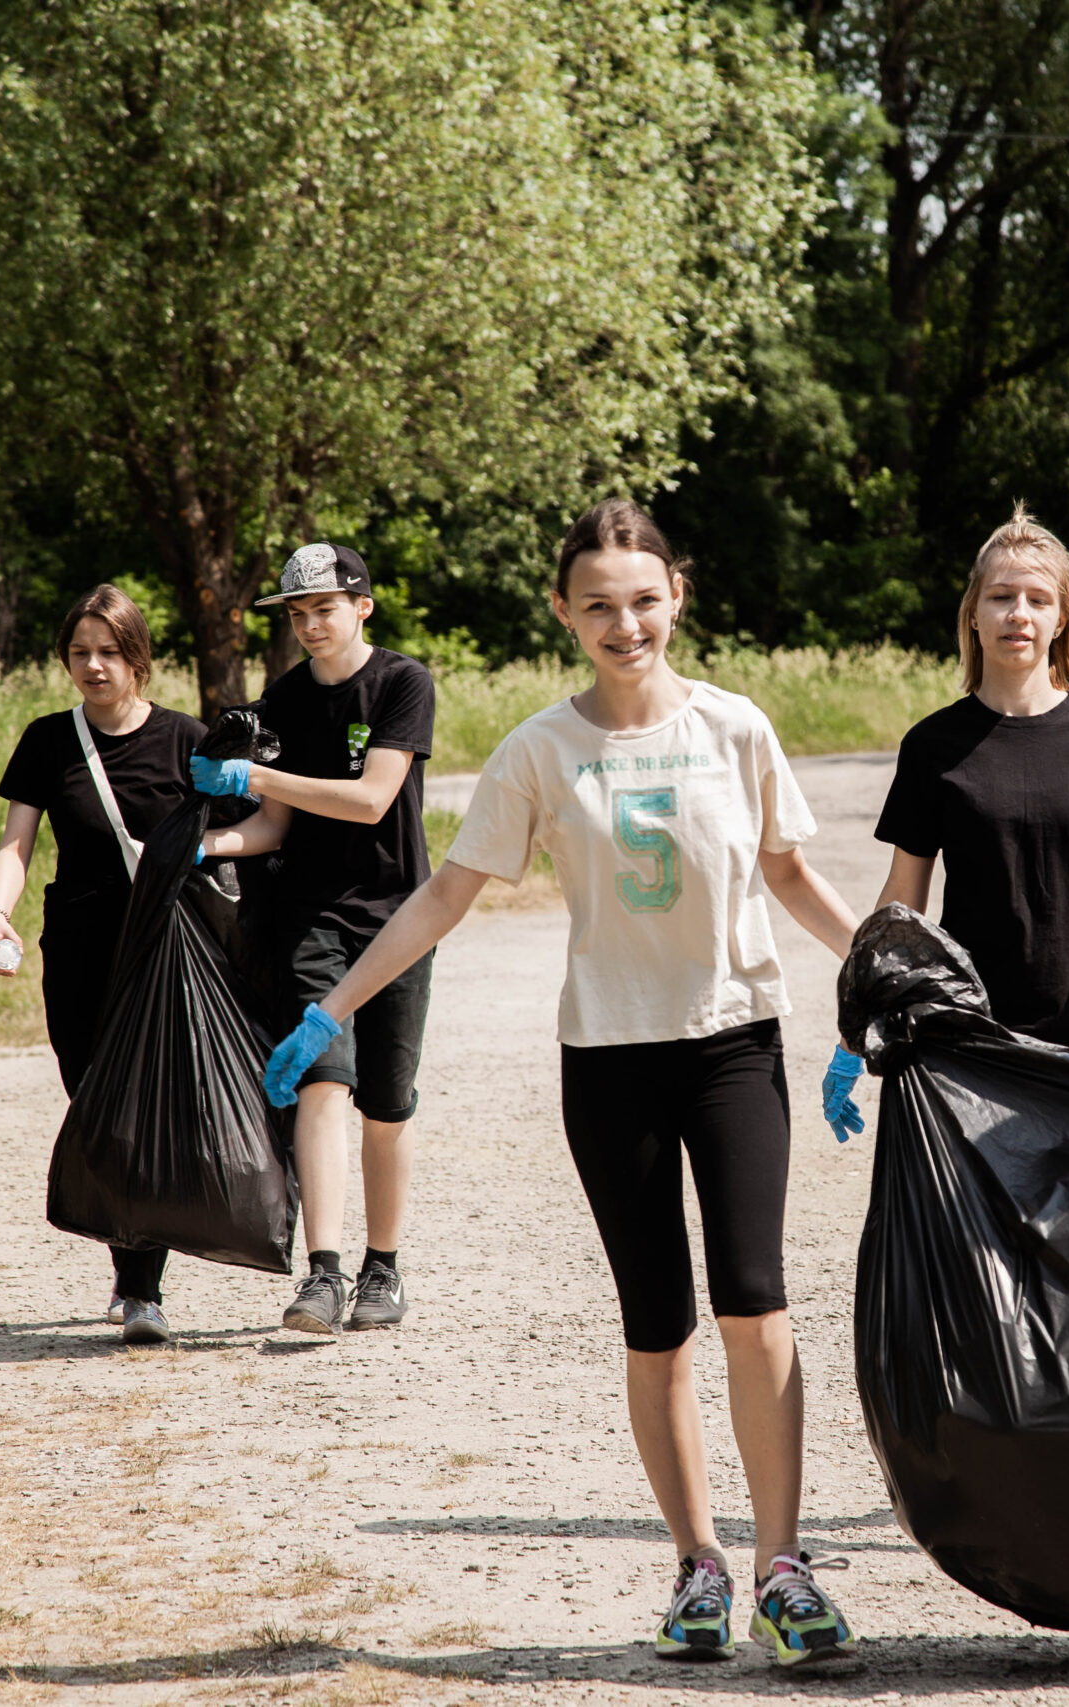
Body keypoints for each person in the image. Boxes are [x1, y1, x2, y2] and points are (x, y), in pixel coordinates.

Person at [261, 500, 867, 1668]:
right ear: (564, 612)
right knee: (659, 1327)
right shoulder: (541, 749)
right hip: (609, 1061)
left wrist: (891, 970)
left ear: (674, 597)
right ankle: (697, 1568)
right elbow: (443, 894)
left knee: (755, 1303)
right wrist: (331, 1006)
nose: (623, 623)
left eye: (642, 600)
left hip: (732, 1041)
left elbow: (791, 875)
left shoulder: (737, 729)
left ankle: (784, 1572)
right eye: (598, 605)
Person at [830, 506, 1069, 1135]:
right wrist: (858, 1021)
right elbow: (902, 900)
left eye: (1037, 599)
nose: (1018, 612)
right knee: (974, 1234)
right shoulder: (931, 745)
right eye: (1001, 596)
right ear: (974, 612)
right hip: (964, 1035)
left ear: (1060, 619)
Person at [189, 542, 436, 1337]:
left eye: (324, 608)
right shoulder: (285, 700)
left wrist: (255, 776)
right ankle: (323, 1275)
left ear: (363, 605)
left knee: (386, 1108)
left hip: (399, 919)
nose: (311, 626)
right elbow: (273, 827)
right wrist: (202, 847)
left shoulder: (403, 683)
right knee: (323, 1082)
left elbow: (371, 799)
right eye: (298, 615)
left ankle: (383, 1267)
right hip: (313, 920)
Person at [0, 586, 205, 1347]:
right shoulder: (48, 741)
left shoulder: (186, 740)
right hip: (76, 952)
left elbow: (237, 844)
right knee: (95, 1107)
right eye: (80, 653)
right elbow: (17, 843)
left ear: (138, 657)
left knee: (144, 1113)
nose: (94, 666)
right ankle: (131, 1268)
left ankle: (142, 1287)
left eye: (109, 651)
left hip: (160, 956)